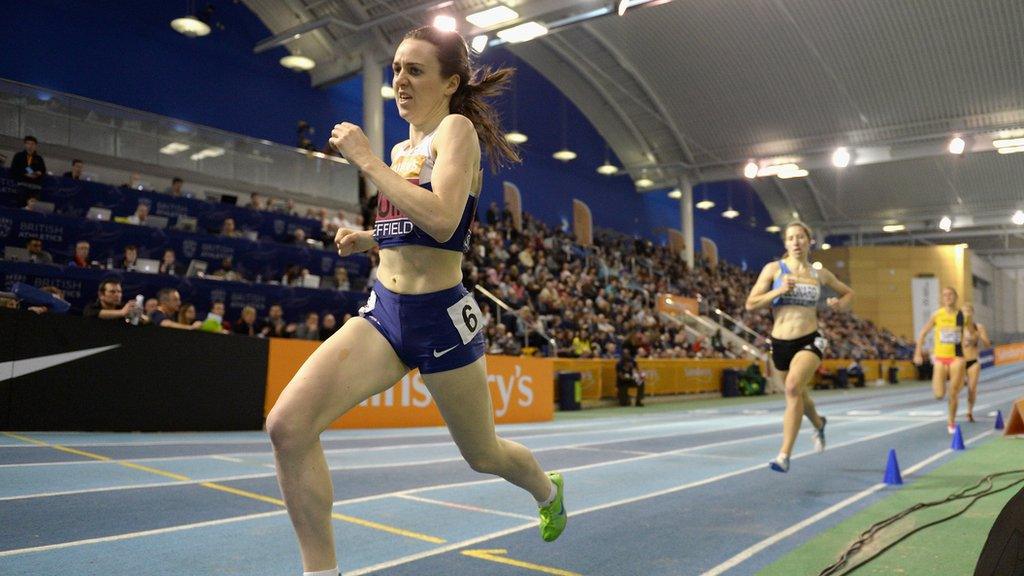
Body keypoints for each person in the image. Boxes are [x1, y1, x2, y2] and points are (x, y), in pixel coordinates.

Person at [265, 27, 565, 576]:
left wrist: (364, 160)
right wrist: (372, 239)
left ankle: (547, 489)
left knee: (484, 456)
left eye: (416, 70)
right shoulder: (403, 149)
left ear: (451, 83)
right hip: (384, 312)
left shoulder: (456, 132)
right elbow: (413, 223)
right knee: (287, 427)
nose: (400, 80)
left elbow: (446, 220)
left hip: (440, 319)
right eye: (397, 68)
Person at [745, 222, 853, 473]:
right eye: (791, 238)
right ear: (785, 243)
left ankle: (784, 455)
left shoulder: (819, 274)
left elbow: (849, 294)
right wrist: (778, 291)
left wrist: (839, 304)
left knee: (793, 388)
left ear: (809, 241)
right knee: (800, 395)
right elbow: (751, 303)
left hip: (810, 339)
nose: (796, 242)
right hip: (780, 342)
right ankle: (819, 423)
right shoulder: (773, 270)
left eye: (801, 237)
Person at [914, 286, 966, 435]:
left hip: (957, 358)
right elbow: (923, 332)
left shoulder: (962, 315)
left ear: (955, 297)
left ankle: (951, 422)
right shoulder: (937, 315)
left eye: (950, 294)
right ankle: (945, 384)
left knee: (953, 393)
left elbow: (971, 331)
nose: (948, 297)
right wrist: (918, 353)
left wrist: (971, 338)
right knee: (939, 394)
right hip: (940, 358)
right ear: (942, 299)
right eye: (945, 295)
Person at [959, 303, 991, 424]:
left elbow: (987, 345)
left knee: (972, 388)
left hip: (973, 361)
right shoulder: (957, 327)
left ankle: (969, 412)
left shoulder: (978, 327)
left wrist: (979, 336)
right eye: (964, 311)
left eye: (968, 310)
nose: (966, 313)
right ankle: (952, 412)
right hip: (960, 361)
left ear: (972, 313)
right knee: (956, 388)